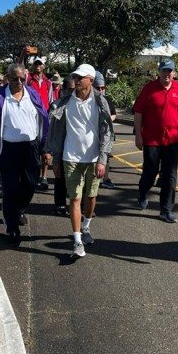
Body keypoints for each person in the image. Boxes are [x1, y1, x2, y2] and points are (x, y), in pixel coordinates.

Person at [47, 63, 114, 259]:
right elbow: (58, 133)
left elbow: (107, 132)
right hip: (71, 157)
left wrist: (102, 160)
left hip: (93, 159)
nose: (76, 80)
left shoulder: (100, 102)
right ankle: (77, 241)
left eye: (80, 77)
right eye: (75, 77)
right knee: (75, 199)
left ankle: (86, 226)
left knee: (90, 197)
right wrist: (56, 159)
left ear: (90, 80)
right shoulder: (64, 103)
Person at [0, 63, 48, 244]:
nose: (19, 82)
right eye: (14, 79)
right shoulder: (0, 97)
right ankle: (11, 227)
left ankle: (18, 209)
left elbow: (44, 120)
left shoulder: (32, 95)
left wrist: (46, 148)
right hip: (8, 149)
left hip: (30, 148)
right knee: (10, 188)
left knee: (31, 184)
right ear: (7, 78)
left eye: (22, 78)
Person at [133, 58, 178, 223]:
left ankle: (166, 210)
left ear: (174, 73)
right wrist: (138, 135)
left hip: (172, 140)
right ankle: (143, 193)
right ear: (159, 72)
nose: (167, 73)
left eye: (169, 71)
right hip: (152, 140)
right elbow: (138, 112)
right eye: (164, 70)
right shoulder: (149, 88)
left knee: (170, 176)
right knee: (150, 174)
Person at [50, 76, 76, 216]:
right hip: (62, 146)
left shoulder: (82, 104)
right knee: (60, 177)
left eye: (75, 89)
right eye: (70, 89)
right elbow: (53, 131)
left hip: (77, 148)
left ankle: (82, 205)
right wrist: (52, 153)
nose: (73, 92)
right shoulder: (57, 106)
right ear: (63, 90)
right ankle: (60, 204)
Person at [27, 57, 54, 190]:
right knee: (32, 148)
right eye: (35, 63)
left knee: (45, 148)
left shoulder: (48, 82)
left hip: (44, 118)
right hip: (30, 118)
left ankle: (44, 177)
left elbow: (50, 101)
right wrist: (22, 56)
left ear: (44, 66)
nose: (37, 65)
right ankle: (33, 176)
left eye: (40, 63)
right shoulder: (29, 79)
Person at [94, 71, 117, 188]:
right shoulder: (90, 100)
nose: (101, 90)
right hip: (93, 133)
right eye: (98, 88)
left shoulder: (107, 100)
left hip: (105, 133)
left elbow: (114, 114)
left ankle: (106, 179)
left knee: (105, 156)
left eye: (102, 88)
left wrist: (108, 120)